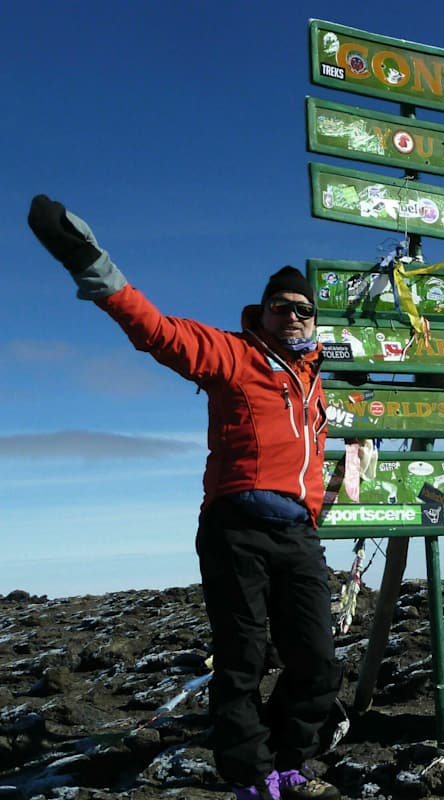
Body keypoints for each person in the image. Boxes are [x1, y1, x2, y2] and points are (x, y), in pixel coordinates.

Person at [27, 195, 343, 800]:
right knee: (243, 657)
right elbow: (157, 331)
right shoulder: (233, 354)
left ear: (313, 320)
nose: (293, 316)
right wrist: (95, 268)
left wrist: (316, 508)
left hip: (298, 535)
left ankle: (291, 758)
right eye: (281, 306)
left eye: (304, 309)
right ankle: (251, 775)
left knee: (317, 659)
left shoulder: (313, 379)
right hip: (236, 528)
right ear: (263, 313)